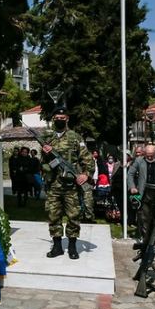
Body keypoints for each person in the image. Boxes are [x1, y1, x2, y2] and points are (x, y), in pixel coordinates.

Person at [41, 107, 95, 260]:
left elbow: (88, 160)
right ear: (53, 119)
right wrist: (46, 154)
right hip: (53, 186)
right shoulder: (47, 138)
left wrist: (86, 175)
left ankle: (72, 247)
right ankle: (57, 246)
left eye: (62, 117)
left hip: (71, 187)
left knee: (73, 216)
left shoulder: (75, 137)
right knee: (53, 216)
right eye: (57, 117)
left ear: (67, 119)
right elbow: (43, 163)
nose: (59, 120)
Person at [127, 145, 155, 240]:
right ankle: (146, 236)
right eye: (147, 155)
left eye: (151, 155)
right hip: (143, 192)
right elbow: (130, 174)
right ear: (144, 154)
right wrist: (132, 187)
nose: (149, 157)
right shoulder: (139, 161)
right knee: (144, 216)